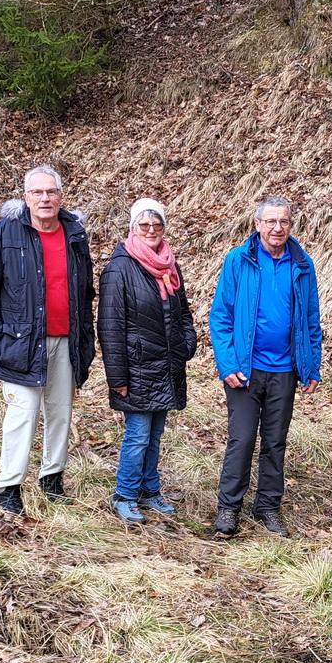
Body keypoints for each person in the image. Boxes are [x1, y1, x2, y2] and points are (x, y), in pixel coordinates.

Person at [0, 165, 96, 517]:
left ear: (61, 196)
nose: (45, 198)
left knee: (60, 413)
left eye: (51, 192)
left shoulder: (74, 233)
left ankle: (52, 479)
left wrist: (85, 336)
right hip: (21, 343)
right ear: (25, 197)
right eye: (37, 192)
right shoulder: (6, 232)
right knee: (22, 416)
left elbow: (85, 291)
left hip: (66, 342)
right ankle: (9, 487)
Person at [207, 195, 323, 538]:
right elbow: (221, 317)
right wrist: (227, 363)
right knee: (241, 439)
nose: (277, 228)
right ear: (257, 225)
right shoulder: (238, 260)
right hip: (244, 369)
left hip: (285, 370)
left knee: (275, 441)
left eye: (283, 221)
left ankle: (268, 507)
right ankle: (229, 509)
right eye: (270, 221)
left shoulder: (302, 264)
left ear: (290, 225)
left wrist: (311, 366)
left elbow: (311, 319)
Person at [97, 199, 198, 524]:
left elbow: (182, 313)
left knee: (154, 436)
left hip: (166, 367)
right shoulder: (119, 268)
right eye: (144, 226)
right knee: (138, 435)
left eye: (157, 225)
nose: (151, 231)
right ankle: (125, 494)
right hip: (137, 369)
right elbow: (110, 327)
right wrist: (117, 378)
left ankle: (150, 491)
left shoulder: (169, 265)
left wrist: (187, 342)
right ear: (132, 228)